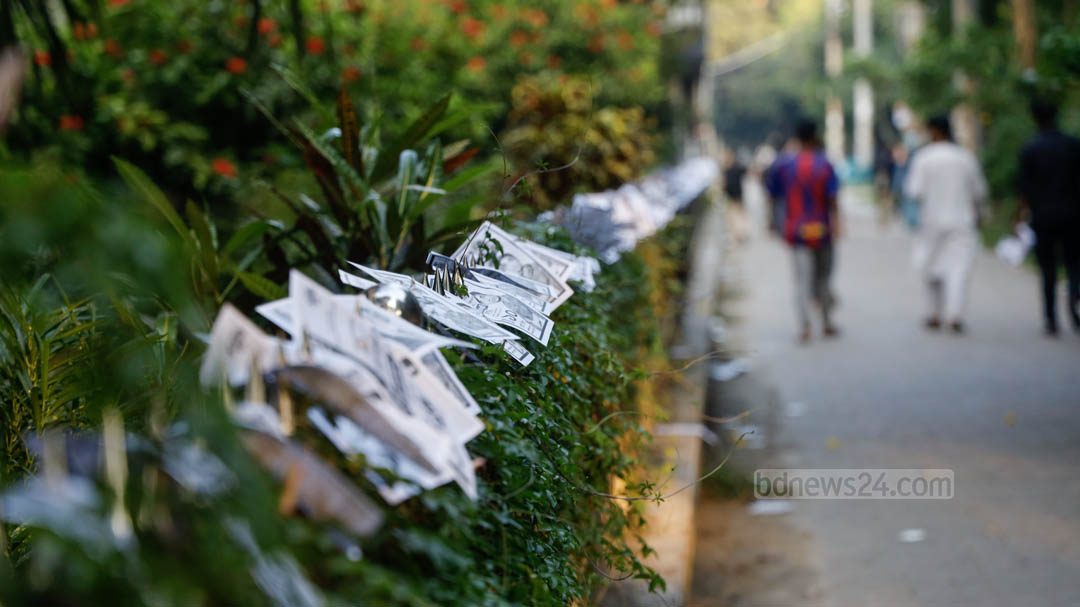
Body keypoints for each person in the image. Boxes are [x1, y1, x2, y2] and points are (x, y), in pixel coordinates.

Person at [904, 115, 988, 334]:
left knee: (929, 266)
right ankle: (954, 314)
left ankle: (933, 313)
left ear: (933, 131)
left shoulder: (924, 158)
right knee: (958, 268)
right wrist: (980, 215)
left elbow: (914, 191)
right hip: (961, 220)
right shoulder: (964, 157)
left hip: (931, 220)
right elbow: (979, 192)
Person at [766, 119, 841, 344]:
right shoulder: (825, 164)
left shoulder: (784, 166)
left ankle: (804, 326)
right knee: (824, 278)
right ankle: (827, 323)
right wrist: (837, 222)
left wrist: (772, 222)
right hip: (822, 228)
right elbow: (833, 197)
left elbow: (773, 196)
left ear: (797, 138)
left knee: (801, 280)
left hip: (797, 230)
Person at [1016, 98, 1080, 336]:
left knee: (1048, 268)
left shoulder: (1031, 149)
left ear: (1035, 118)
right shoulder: (1073, 145)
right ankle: (1074, 293)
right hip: (1073, 214)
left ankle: (1051, 319)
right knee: (1074, 262)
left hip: (1043, 216)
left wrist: (1019, 216)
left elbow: (1024, 189)